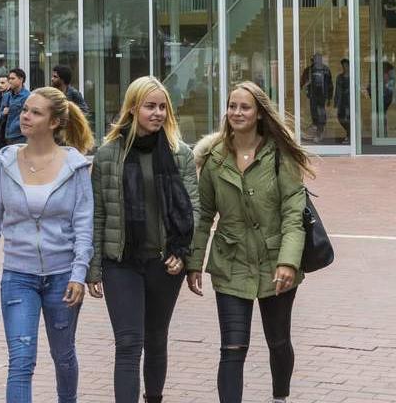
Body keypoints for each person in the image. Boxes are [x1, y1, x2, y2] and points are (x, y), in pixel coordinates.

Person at [0, 86, 96, 403]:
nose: (26, 116)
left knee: (63, 355)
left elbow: (84, 225)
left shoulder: (75, 165)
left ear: (54, 122)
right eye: (25, 109)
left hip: (63, 276)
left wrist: (79, 274)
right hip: (17, 276)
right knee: (21, 361)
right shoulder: (5, 163)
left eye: (35, 112)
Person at [190, 81, 311, 403]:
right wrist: (194, 263)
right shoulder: (214, 159)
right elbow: (203, 216)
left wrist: (288, 262)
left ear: (259, 113)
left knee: (278, 341)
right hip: (231, 264)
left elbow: (293, 215)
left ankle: (279, 397)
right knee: (232, 346)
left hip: (275, 264)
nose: (237, 113)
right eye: (232, 106)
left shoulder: (279, 156)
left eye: (245, 107)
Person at [87, 76, 198, 403]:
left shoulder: (181, 155)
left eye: (163, 107)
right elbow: (96, 215)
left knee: (156, 338)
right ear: (133, 108)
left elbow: (193, 210)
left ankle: (154, 398)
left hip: (165, 263)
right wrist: (92, 269)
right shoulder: (108, 156)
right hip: (121, 262)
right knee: (128, 342)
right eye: (150, 106)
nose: (158, 113)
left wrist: (184, 254)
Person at [301, 54, 333, 143]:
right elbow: (302, 84)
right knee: (313, 114)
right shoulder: (308, 70)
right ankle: (315, 132)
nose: (317, 61)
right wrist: (307, 83)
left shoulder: (326, 69)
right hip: (311, 96)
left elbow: (330, 84)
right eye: (315, 59)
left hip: (322, 96)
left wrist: (330, 98)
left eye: (319, 59)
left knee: (321, 114)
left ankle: (320, 133)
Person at [334, 58, 352, 140]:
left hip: (350, 101)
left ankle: (349, 135)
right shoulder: (339, 77)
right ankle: (349, 133)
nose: (345, 67)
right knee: (340, 117)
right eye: (343, 66)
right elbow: (337, 90)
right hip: (342, 101)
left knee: (348, 117)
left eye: (346, 65)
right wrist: (335, 102)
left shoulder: (353, 76)